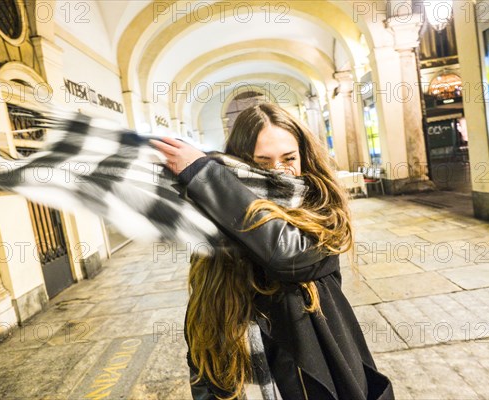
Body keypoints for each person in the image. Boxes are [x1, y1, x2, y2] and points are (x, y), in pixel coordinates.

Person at [151, 103, 394, 400]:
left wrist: (206, 176)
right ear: (241, 165)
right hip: (241, 379)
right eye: (263, 162)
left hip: (314, 378)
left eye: (289, 158)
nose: (279, 170)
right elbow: (201, 323)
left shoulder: (321, 212)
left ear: (304, 156)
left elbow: (287, 256)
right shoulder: (219, 218)